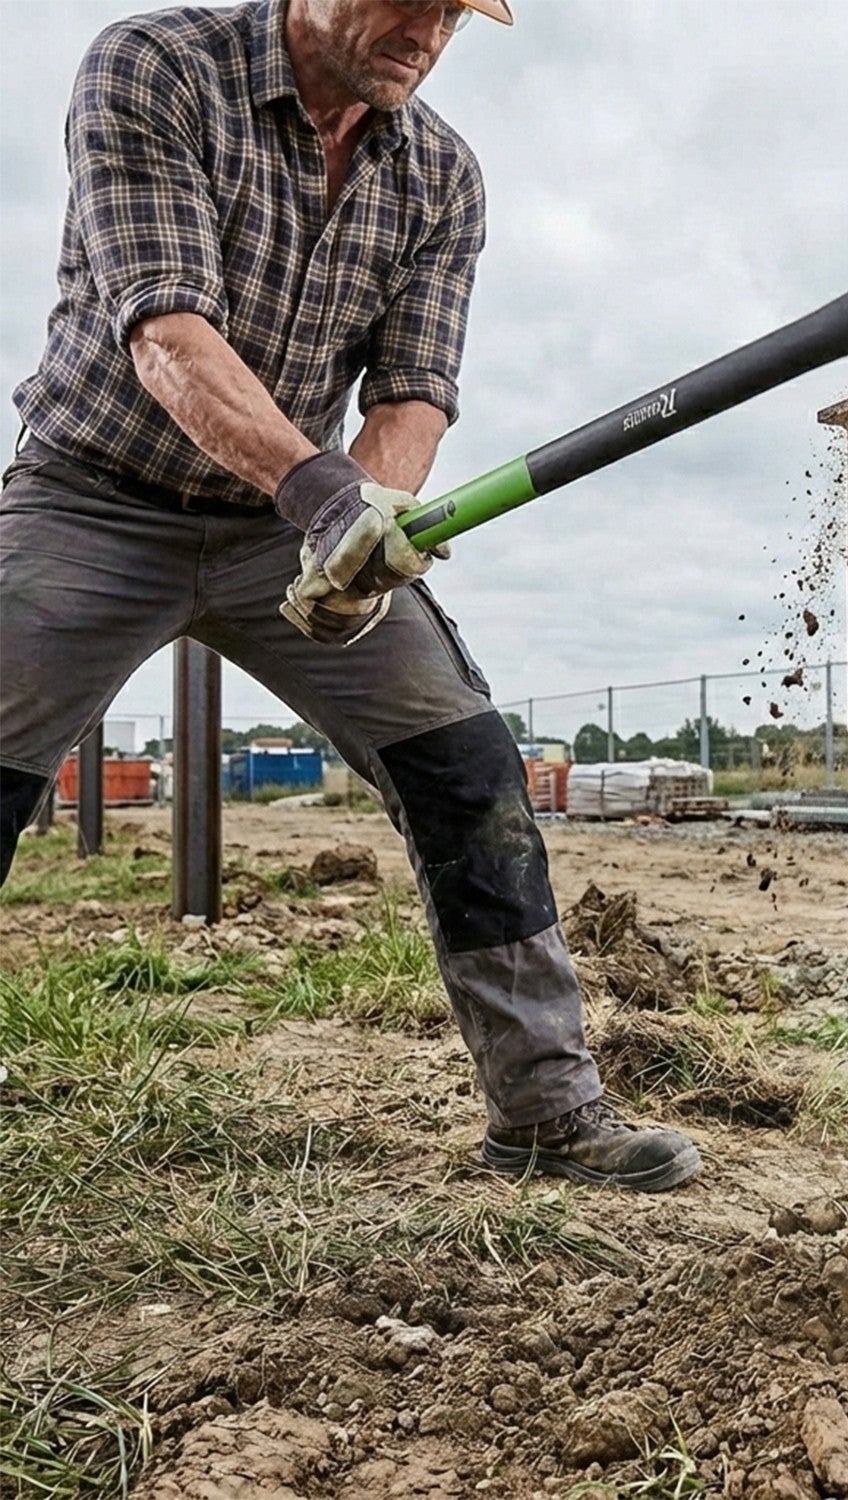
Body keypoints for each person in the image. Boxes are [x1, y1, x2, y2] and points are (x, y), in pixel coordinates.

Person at [0, 0, 701, 1193]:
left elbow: (413, 390)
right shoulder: (155, 67)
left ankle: (543, 1106)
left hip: (289, 528)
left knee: (468, 767)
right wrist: (327, 495)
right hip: (96, 499)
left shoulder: (441, 173)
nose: (427, 29)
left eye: (456, 9)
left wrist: (364, 530)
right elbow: (166, 332)